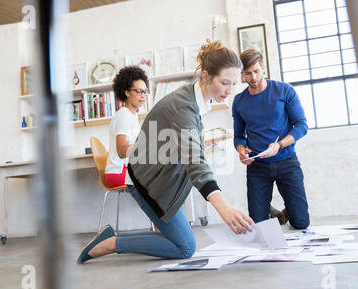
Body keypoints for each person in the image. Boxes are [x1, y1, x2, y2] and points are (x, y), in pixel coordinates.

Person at [77, 40, 254, 264]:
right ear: (207, 76)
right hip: (147, 183)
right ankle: (112, 242)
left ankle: (113, 239)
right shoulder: (184, 105)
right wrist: (224, 207)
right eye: (225, 83)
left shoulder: (195, 101)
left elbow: (188, 147)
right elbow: (195, 161)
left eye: (234, 84)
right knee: (185, 247)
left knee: (182, 243)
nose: (229, 91)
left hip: (162, 179)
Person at [232, 48, 310, 230]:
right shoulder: (239, 101)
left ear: (263, 68)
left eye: (256, 71)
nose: (253, 77)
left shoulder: (284, 91)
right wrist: (241, 150)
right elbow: (238, 136)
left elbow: (301, 125)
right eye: (248, 73)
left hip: (287, 161)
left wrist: (280, 145)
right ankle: (268, 209)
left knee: (300, 223)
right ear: (242, 74)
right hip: (258, 167)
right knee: (260, 227)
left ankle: (288, 208)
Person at [104, 66, 149, 188]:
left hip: (126, 170)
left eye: (145, 91)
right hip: (118, 173)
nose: (143, 96)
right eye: (139, 91)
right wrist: (148, 145)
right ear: (127, 92)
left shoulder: (132, 116)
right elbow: (122, 151)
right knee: (161, 178)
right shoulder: (124, 115)